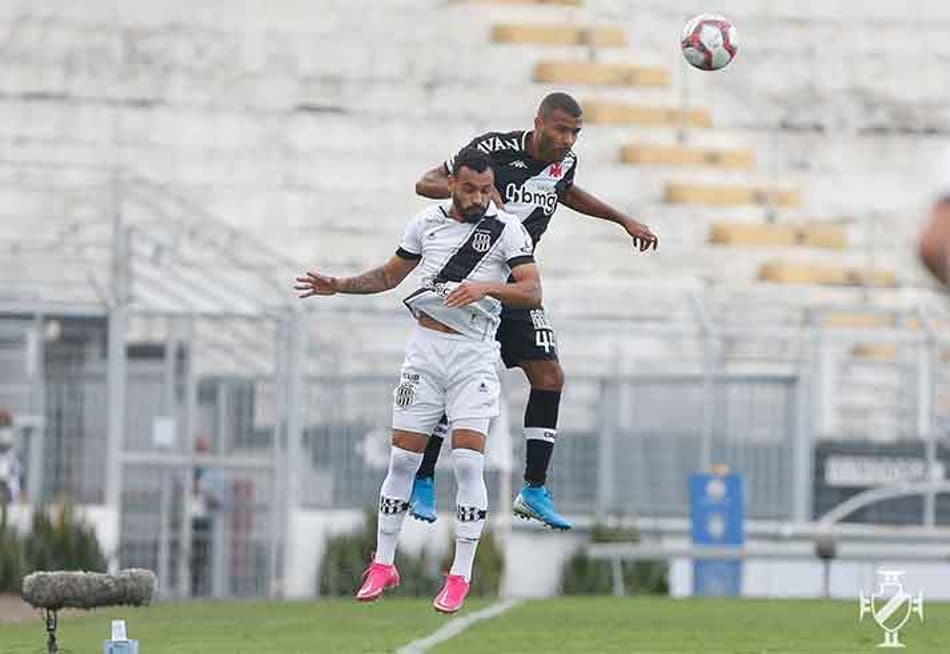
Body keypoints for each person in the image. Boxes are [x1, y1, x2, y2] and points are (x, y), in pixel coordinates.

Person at [295, 147, 541, 614]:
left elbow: (531, 291)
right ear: (451, 184)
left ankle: (460, 574)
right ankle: (383, 563)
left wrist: (487, 287)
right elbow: (390, 276)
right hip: (425, 354)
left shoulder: (507, 229)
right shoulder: (425, 224)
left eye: (485, 190)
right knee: (403, 460)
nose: (478, 198)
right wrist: (339, 285)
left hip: (473, 358)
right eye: (469, 189)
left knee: (467, 463)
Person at [410, 92, 658, 529]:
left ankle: (534, 490)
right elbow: (426, 182)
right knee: (457, 378)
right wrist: (486, 200)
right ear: (538, 123)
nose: (568, 140)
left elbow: (567, 192)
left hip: (515, 285)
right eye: (561, 130)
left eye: (575, 133)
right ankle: (423, 477)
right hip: (471, 280)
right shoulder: (492, 150)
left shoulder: (566, 164)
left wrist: (623, 220)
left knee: (549, 376)